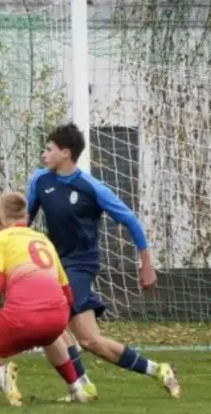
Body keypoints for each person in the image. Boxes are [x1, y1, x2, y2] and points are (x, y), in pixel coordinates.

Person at [25, 123, 180, 399]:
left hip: (81, 265)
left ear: (65, 153)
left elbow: (130, 220)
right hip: (55, 265)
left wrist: (146, 262)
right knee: (83, 338)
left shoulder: (92, 187)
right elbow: (25, 222)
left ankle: (85, 384)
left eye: (49, 149)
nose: (44, 154)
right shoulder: (40, 181)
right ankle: (151, 371)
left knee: (62, 327)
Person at [0, 192, 89, 406]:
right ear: (26, 215)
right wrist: (62, 323)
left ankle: (0, 374)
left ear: (2, 216)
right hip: (57, 314)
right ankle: (77, 388)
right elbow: (67, 291)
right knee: (51, 337)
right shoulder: (43, 239)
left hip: (23, 317)